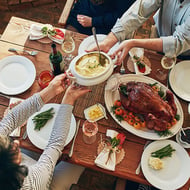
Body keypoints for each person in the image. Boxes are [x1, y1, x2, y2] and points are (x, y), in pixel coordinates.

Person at [0, 74, 90, 190]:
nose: (16, 142)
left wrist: (50, 91)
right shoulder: (32, 184)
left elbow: (11, 119)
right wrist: (68, 99)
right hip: (42, 184)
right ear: (15, 166)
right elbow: (54, 145)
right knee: (77, 162)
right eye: (13, 148)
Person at [87, 0, 190, 64]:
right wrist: (108, 41)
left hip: (185, 56)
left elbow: (178, 42)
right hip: (160, 36)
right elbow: (140, 10)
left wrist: (133, 42)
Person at [66, 0, 136, 35]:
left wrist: (93, 21)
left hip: (106, 24)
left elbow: (121, 16)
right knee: (69, 37)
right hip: (83, 12)